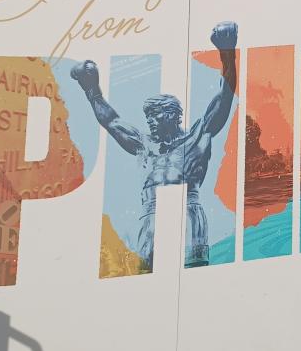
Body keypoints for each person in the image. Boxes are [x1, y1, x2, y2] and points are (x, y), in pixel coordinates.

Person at [71, 21, 238, 269]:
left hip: (188, 213)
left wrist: (227, 53)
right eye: (147, 116)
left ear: (172, 115)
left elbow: (224, 98)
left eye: (155, 115)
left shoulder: (197, 135)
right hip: (150, 215)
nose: (149, 121)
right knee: (146, 271)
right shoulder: (144, 145)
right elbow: (112, 121)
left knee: (193, 270)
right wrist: (91, 89)